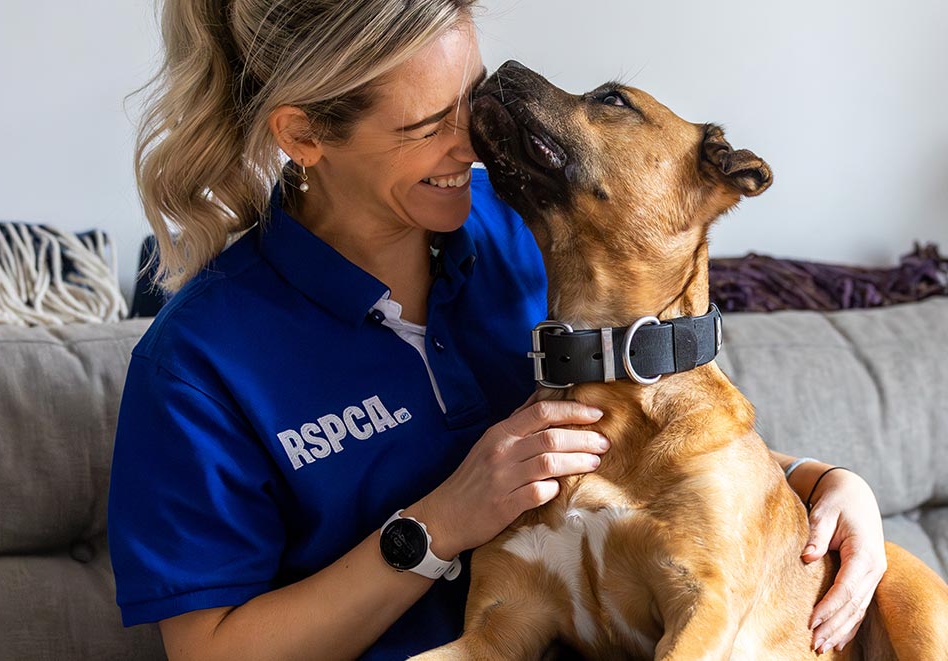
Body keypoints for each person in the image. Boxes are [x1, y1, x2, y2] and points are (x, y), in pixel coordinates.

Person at [108, 1, 888, 658]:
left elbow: (647, 439)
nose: (473, 141)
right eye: (426, 125)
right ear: (305, 136)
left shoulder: (533, 227)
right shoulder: (197, 362)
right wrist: (439, 524)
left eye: (470, 98)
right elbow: (210, 648)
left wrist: (814, 481)